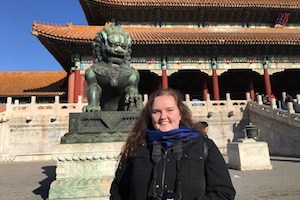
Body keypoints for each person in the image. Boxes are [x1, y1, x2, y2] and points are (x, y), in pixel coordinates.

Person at [110, 88, 235, 200]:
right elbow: (118, 191)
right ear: (150, 115)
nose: (163, 116)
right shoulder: (137, 146)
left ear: (180, 113)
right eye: (156, 111)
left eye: (170, 110)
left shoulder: (202, 145)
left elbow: (224, 192)